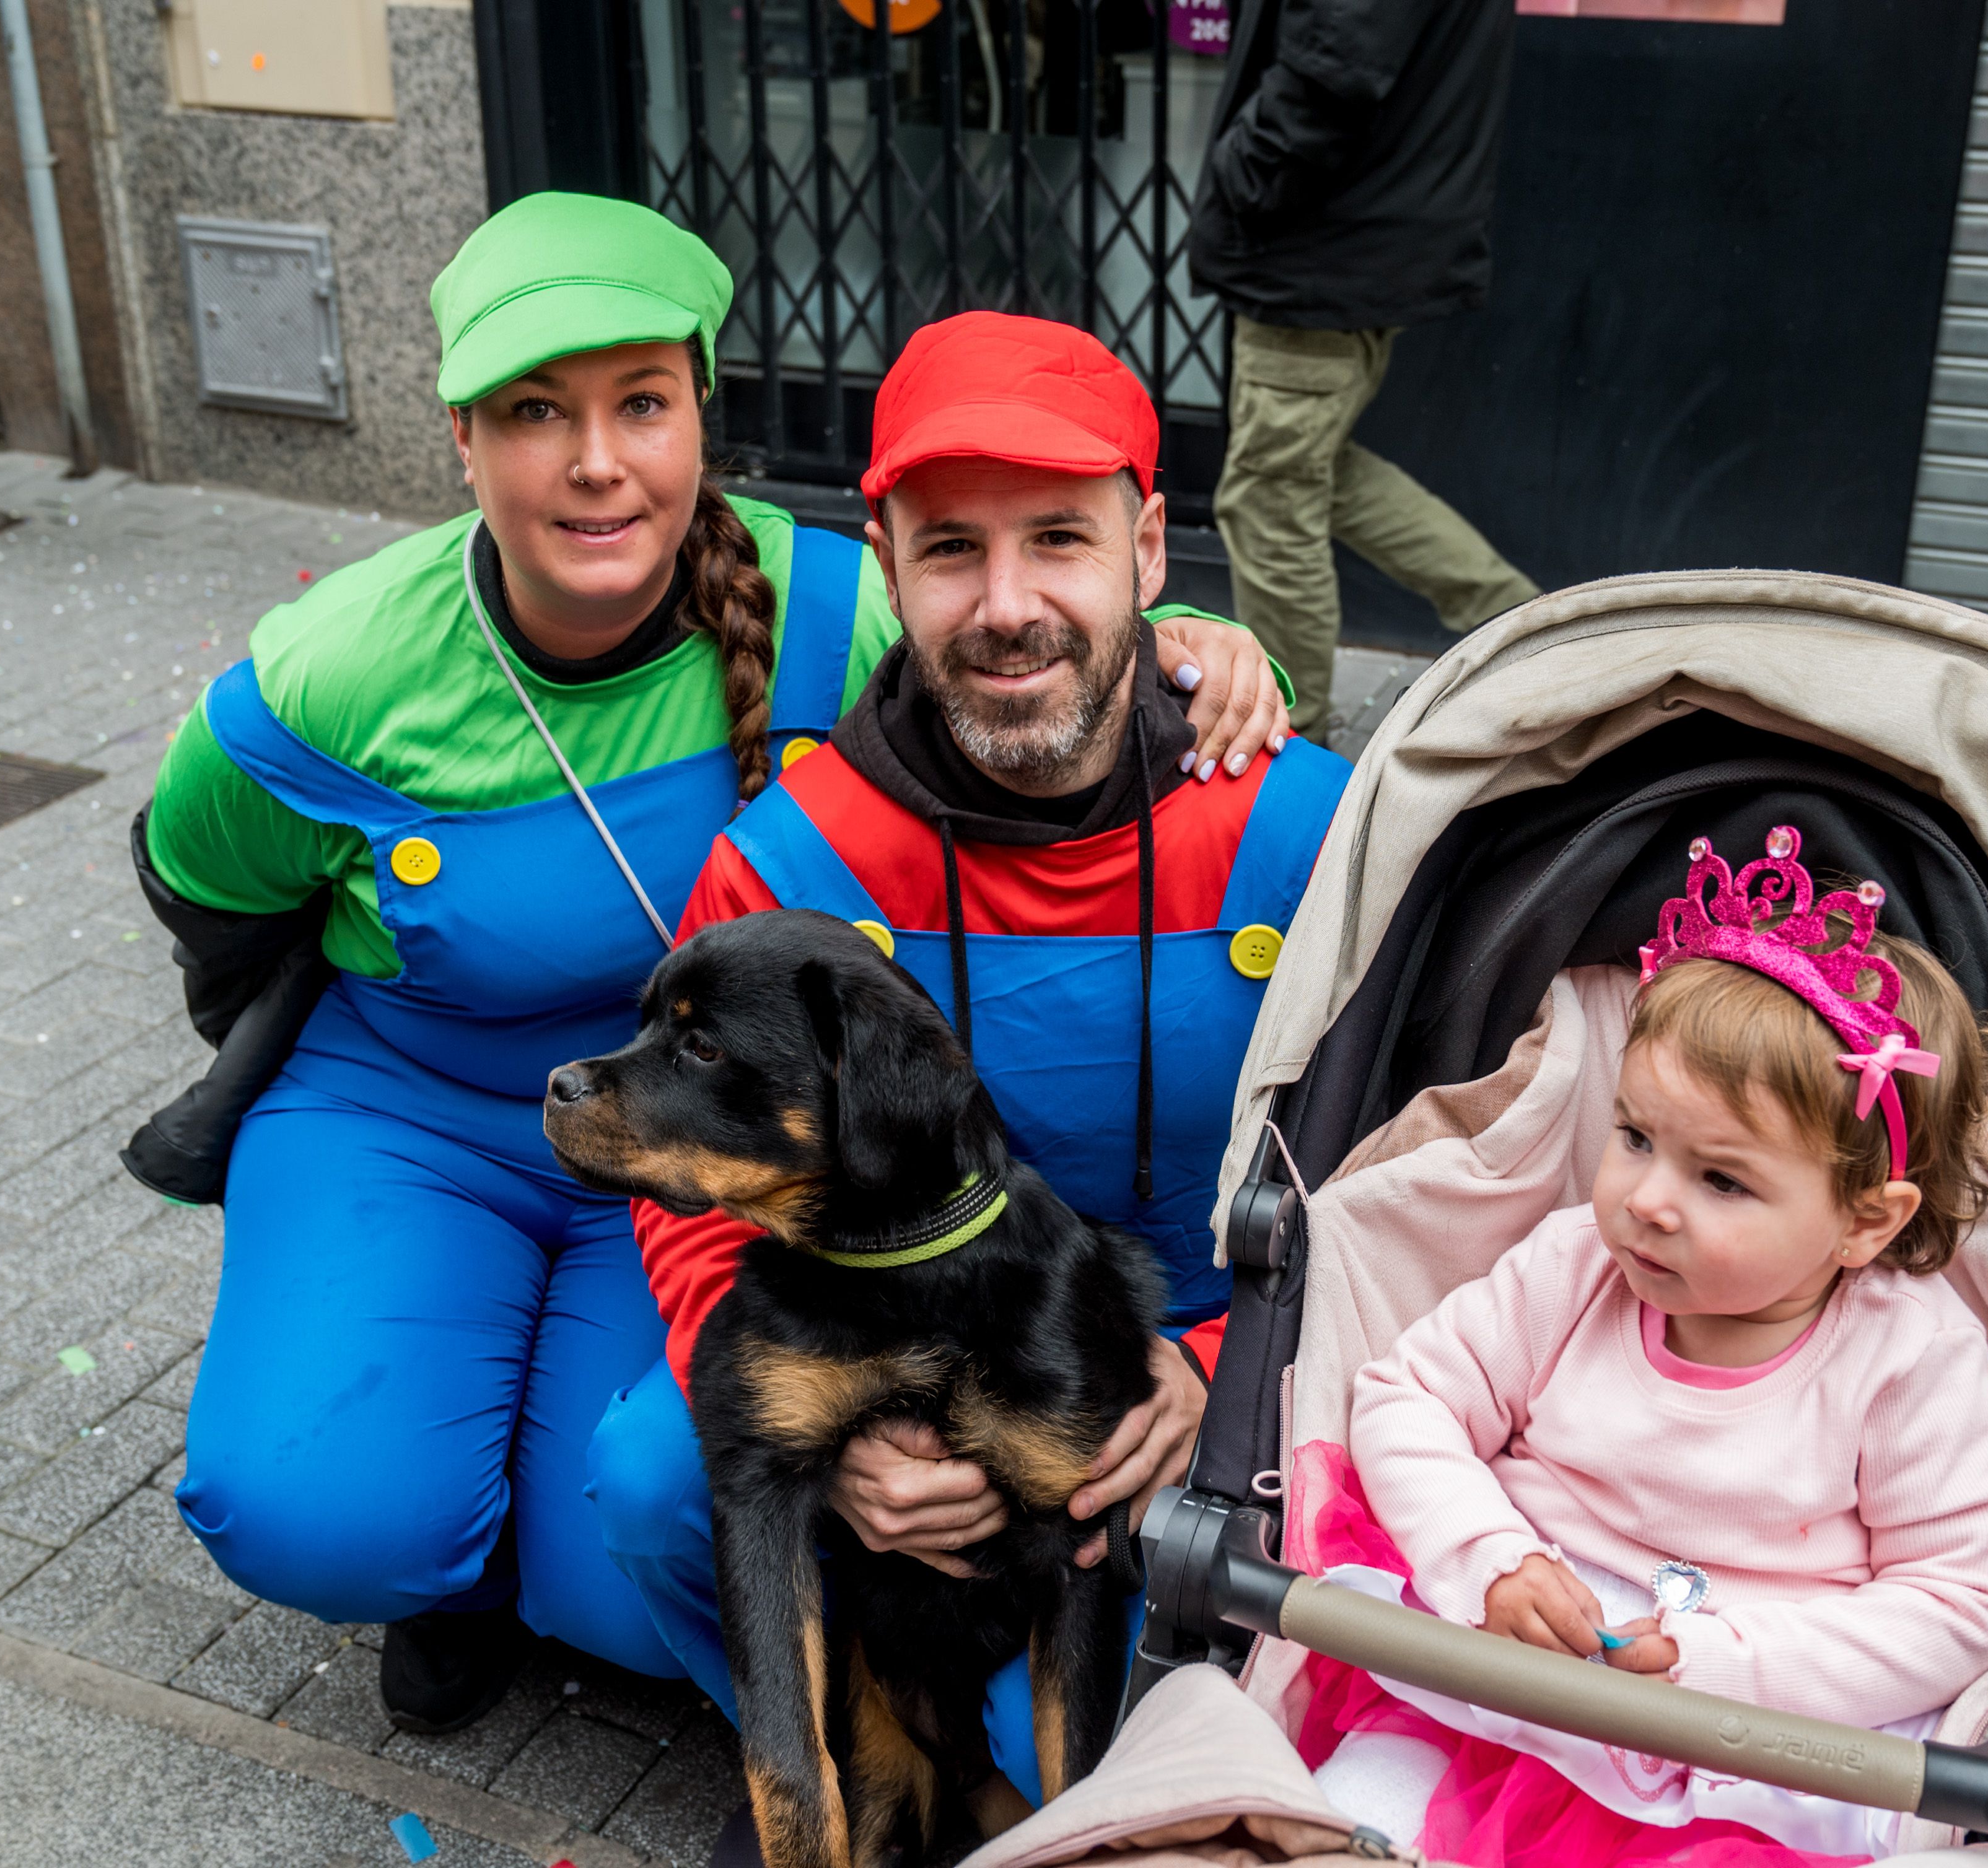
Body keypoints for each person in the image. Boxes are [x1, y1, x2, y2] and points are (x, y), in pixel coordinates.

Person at [132, 202, 1287, 1736]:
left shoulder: (835, 602)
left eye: (640, 404)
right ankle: (444, 1570)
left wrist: (1200, 637)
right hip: (413, 1111)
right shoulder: (323, 674)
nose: (595, 460)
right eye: (536, 411)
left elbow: (1026, 609)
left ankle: (542, 1537)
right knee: (328, 1504)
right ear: (461, 439)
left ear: (699, 422)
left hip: (710, 1132)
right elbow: (207, 893)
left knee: (644, 1547)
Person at [585, 310, 1347, 1817]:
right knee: (653, 1480)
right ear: (885, 565)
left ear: (1146, 551)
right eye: (949, 551)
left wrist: (1219, 1376)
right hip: (880, 1334)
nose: (1005, 605)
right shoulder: (792, 854)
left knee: (1152, 1738)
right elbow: (688, 1184)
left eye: (1056, 538)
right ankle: (864, 1776)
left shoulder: (1306, 825)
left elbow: (1400, 1162)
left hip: (1208, 1366)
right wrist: (851, 1440)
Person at [1295, 829, 1988, 1865]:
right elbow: (1406, 1399)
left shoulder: (1906, 1365)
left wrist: (1723, 1665)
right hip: (1499, 1678)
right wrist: (1490, 1558)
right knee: (1336, 1820)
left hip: (1737, 1756)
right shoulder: (1572, 1267)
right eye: (1634, 1138)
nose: (1644, 1202)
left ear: (1864, 1221)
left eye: (1719, 1181)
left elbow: (1956, 1602)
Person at [1188, 0, 1541, 741]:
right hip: (1357, 241)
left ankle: (1285, 736)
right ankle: (1530, 628)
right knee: (1313, 470)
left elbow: (1332, 73)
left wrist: (1236, 180)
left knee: (1269, 502)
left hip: (1320, 246)